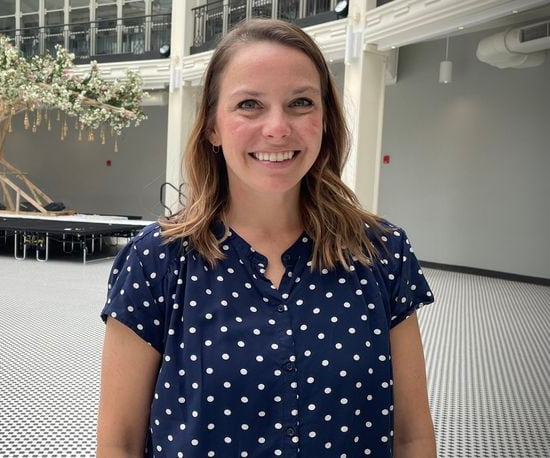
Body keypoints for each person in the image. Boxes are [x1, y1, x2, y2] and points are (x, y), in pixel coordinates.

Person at [96, 19, 437, 458]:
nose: (277, 128)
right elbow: (119, 443)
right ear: (213, 128)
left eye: (300, 102)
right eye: (250, 105)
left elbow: (411, 436)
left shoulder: (381, 253)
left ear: (325, 121)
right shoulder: (157, 261)